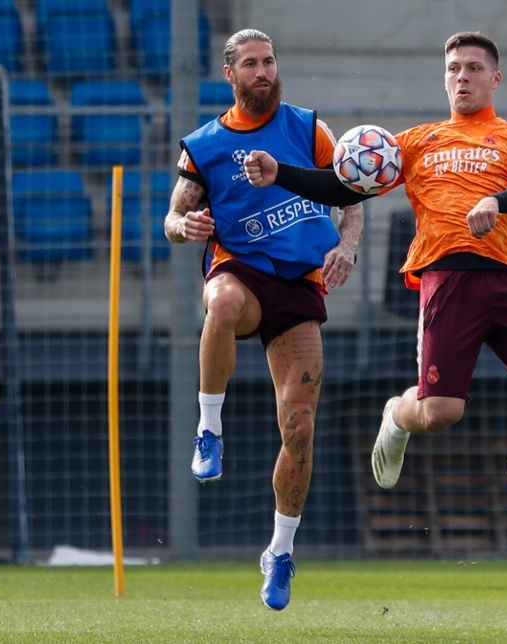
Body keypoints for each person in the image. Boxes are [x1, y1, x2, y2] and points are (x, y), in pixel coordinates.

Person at [244, 30, 507, 539]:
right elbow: (342, 185)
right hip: (447, 280)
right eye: (453, 69)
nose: (462, 77)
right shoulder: (417, 141)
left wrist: (498, 201)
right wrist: (281, 174)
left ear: (495, 78)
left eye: (473, 68)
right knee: (440, 412)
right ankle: (398, 415)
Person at [163, 28, 364, 610]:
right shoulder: (204, 145)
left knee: (299, 428)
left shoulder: (308, 128)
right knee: (220, 305)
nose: (262, 72)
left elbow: (351, 193)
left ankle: (278, 552)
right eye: (250, 64)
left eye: (269, 61)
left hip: (299, 284)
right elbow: (172, 218)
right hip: (241, 271)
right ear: (230, 74)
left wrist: (347, 245)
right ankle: (209, 429)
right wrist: (187, 228)